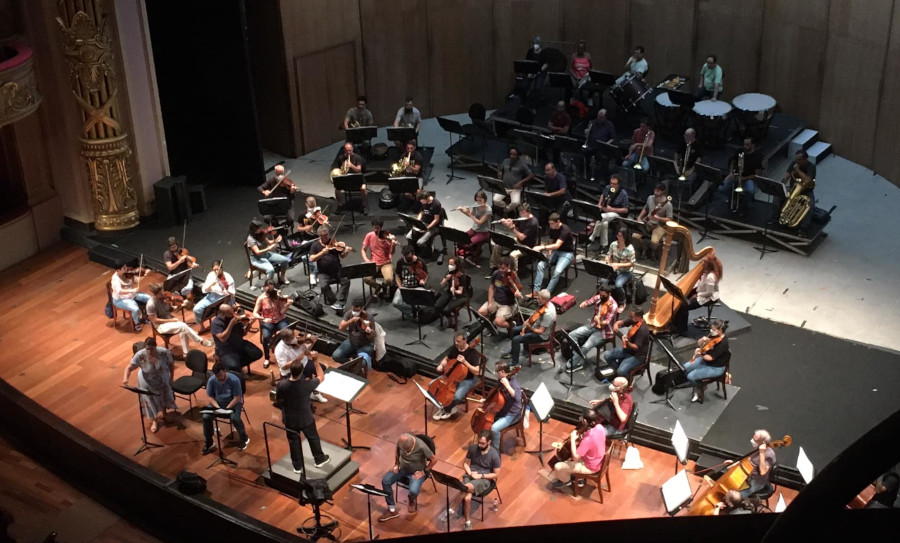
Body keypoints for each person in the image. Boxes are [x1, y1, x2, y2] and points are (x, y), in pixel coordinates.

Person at [276, 358, 330, 473]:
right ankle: (319, 459)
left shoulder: (281, 384)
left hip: (289, 418)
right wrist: (315, 361)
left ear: (291, 371)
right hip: (305, 418)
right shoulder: (307, 385)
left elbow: (278, 399)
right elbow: (321, 376)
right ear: (301, 372)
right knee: (313, 438)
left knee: (293, 442)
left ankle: (297, 466)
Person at [122, 337, 175, 433]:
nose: (149, 352)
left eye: (152, 349)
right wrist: (126, 379)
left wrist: (171, 378)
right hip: (147, 381)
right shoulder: (140, 355)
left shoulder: (164, 352)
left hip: (162, 379)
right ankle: (154, 420)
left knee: (164, 396)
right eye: (147, 349)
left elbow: (171, 364)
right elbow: (129, 367)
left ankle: (164, 414)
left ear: (156, 347)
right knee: (151, 400)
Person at [379, 433, 437, 520]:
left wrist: (424, 471)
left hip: (417, 472)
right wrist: (396, 464)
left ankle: (411, 500)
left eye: (407, 450)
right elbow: (397, 452)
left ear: (411, 445)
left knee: (413, 491)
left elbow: (434, 459)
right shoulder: (401, 442)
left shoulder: (421, 446)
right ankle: (392, 509)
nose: (405, 452)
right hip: (402, 469)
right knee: (385, 481)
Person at [451, 430, 501, 530]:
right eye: (479, 442)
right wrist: (470, 473)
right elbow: (465, 463)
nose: (480, 445)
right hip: (471, 474)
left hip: (484, 479)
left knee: (465, 488)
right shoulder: (473, 448)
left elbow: (496, 474)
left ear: (489, 442)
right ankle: (468, 522)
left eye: (482, 443)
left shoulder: (494, 455)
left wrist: (481, 476)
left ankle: (452, 509)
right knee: (467, 498)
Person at [564, 284, 617, 373]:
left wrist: (599, 321)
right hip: (593, 325)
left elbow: (607, 322)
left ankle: (573, 364)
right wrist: (584, 304)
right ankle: (577, 356)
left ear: (609, 294)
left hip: (603, 331)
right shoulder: (599, 298)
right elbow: (589, 301)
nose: (601, 297)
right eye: (600, 295)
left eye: (604, 296)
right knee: (572, 335)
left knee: (586, 346)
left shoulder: (613, 306)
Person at [146, 283, 212, 354]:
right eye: (160, 293)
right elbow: (155, 320)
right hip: (160, 326)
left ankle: (186, 353)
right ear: (155, 294)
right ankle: (201, 341)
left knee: (183, 329)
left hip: (170, 320)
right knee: (183, 326)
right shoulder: (151, 304)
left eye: (162, 291)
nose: (163, 294)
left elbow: (171, 310)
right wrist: (171, 320)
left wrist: (181, 306)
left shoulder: (166, 298)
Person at [201, 361, 249, 454]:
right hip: (218, 403)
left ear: (225, 371)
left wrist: (227, 408)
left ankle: (244, 438)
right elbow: (210, 397)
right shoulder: (212, 380)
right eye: (218, 376)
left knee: (235, 418)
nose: (220, 378)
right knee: (206, 417)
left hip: (234, 403)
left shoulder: (234, 380)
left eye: (221, 375)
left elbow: (237, 398)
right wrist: (218, 407)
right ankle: (209, 443)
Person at [550, 408, 606, 489]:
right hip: (598, 460)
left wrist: (572, 440)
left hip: (590, 466)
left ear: (585, 421)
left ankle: (566, 481)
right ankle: (580, 478)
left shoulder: (588, 440)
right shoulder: (600, 427)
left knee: (558, 466)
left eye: (581, 418)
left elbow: (575, 457)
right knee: (571, 456)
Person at [431, 332, 480, 420]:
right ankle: (446, 406)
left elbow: (477, 372)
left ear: (465, 340)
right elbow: (447, 358)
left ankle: (447, 408)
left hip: (467, 379)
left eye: (458, 341)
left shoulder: (474, 353)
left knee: (457, 396)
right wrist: (441, 365)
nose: (455, 343)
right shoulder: (455, 348)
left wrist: (465, 362)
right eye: (455, 341)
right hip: (451, 376)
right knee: (432, 385)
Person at [273, 328, 328, 403]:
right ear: (285, 340)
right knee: (301, 384)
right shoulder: (279, 350)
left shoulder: (296, 341)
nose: (295, 339)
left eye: (294, 336)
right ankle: (306, 394)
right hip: (292, 370)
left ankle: (314, 392)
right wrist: (297, 359)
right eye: (292, 338)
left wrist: (312, 342)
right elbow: (283, 366)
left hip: (304, 362)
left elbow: (305, 352)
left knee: (322, 368)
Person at [503, 289, 556, 368]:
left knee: (516, 340)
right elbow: (536, 314)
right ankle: (513, 350)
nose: (537, 300)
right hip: (534, 326)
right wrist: (529, 320)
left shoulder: (548, 314)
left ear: (545, 300)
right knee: (513, 330)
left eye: (539, 299)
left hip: (540, 336)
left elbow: (540, 331)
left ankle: (515, 362)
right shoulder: (547, 304)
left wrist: (529, 327)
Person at [683, 319, 730, 403]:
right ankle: (698, 384)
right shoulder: (713, 335)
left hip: (716, 367)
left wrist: (699, 353)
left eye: (714, 329)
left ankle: (700, 388)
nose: (711, 330)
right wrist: (702, 340)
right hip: (705, 360)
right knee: (686, 367)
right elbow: (699, 344)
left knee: (690, 376)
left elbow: (710, 358)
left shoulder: (723, 343)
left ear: (720, 330)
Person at [770, 150, 816, 236]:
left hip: (806, 191)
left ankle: (803, 227)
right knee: (777, 196)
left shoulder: (811, 167)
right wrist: (781, 184)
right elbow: (786, 177)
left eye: (799, 160)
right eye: (796, 159)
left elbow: (807, 180)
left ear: (805, 159)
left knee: (810, 204)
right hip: (793, 188)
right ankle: (775, 217)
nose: (797, 161)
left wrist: (797, 170)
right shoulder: (793, 163)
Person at [674, 253, 723, 333]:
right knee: (680, 296)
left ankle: (681, 328)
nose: (702, 264)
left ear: (708, 265)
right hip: (702, 292)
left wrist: (697, 295)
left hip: (708, 298)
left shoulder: (710, 277)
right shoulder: (705, 272)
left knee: (684, 306)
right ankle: (676, 321)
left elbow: (709, 293)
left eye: (704, 263)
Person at [309, 226, 352, 312]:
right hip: (323, 272)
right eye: (324, 235)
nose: (327, 236)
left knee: (346, 281)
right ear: (320, 236)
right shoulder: (315, 245)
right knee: (324, 285)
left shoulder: (333, 242)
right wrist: (322, 252)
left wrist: (346, 252)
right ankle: (334, 301)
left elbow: (342, 256)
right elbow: (312, 258)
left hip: (337, 269)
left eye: (327, 234)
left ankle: (340, 302)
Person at [252, 279, 293, 368]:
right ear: (264, 288)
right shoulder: (261, 298)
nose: (271, 292)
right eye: (269, 290)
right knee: (266, 337)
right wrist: (263, 318)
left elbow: (282, 312)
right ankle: (267, 357)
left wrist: (287, 305)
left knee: (288, 332)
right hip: (268, 321)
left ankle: (287, 352)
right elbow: (254, 313)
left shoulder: (277, 296)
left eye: (272, 289)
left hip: (279, 319)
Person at [211, 304, 263, 373]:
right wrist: (231, 324)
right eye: (229, 314)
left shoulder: (234, 318)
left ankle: (237, 366)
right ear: (222, 314)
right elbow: (222, 338)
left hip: (239, 343)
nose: (232, 315)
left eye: (232, 312)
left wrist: (250, 324)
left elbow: (243, 333)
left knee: (257, 353)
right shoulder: (216, 323)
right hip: (225, 349)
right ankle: (233, 367)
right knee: (234, 366)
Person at [489, 203, 539, 273]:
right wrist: (508, 224)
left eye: (523, 212)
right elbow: (517, 229)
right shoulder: (522, 218)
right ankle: (496, 267)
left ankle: (512, 273)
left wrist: (512, 228)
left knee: (513, 255)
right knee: (497, 246)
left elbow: (522, 237)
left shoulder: (533, 223)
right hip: (517, 241)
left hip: (527, 246)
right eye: (520, 212)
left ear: (529, 212)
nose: (521, 214)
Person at [720, 137, 764, 216]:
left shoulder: (757, 157)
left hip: (748, 178)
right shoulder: (739, 151)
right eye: (744, 144)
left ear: (752, 145)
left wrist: (743, 178)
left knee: (750, 191)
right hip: (736, 175)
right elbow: (733, 162)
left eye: (747, 145)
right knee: (722, 188)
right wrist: (731, 173)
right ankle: (732, 197)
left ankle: (743, 207)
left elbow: (757, 174)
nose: (745, 146)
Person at [479, 257, 523, 335]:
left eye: (503, 268)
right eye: (499, 268)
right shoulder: (496, 273)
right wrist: (489, 303)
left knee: (498, 322)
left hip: (507, 305)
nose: (500, 270)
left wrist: (516, 295)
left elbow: (517, 294)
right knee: (481, 312)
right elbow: (491, 288)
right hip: (495, 301)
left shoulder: (514, 278)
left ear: (508, 266)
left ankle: (511, 325)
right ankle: (491, 327)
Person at [533, 213, 574, 295]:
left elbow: (557, 245)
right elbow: (552, 241)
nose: (550, 226)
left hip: (567, 253)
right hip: (556, 251)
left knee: (557, 272)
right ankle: (536, 291)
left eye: (552, 223)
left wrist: (543, 247)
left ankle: (546, 293)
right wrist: (549, 250)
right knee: (540, 265)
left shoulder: (565, 230)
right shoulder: (553, 229)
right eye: (550, 224)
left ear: (558, 221)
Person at [603, 308, 651, 378]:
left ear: (639, 317)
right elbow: (621, 322)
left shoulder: (643, 330)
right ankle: (618, 371)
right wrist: (616, 324)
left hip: (637, 356)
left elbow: (635, 347)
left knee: (621, 371)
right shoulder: (634, 321)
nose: (630, 318)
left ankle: (629, 379)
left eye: (632, 317)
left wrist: (627, 342)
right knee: (607, 355)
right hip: (628, 349)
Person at [588, 174, 630, 252]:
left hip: (616, 213)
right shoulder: (608, 188)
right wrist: (599, 204)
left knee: (601, 218)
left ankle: (592, 238)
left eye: (614, 184)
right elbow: (602, 196)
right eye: (611, 183)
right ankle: (604, 245)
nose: (612, 185)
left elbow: (625, 210)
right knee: (604, 224)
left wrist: (612, 209)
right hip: (606, 211)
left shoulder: (623, 193)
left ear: (618, 184)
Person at [488, 362, 524, 451]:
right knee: (486, 421)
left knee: (494, 428)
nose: (495, 373)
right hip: (502, 409)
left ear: (502, 372)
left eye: (497, 371)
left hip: (512, 414)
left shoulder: (513, 383)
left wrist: (507, 386)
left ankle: (494, 451)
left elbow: (518, 397)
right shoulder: (500, 380)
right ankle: (486, 442)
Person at [334, 298, 376, 370]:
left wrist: (368, 332)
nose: (354, 312)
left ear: (362, 308)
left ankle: (354, 368)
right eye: (353, 310)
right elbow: (341, 328)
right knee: (336, 356)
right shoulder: (349, 313)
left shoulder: (369, 317)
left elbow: (372, 337)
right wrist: (351, 320)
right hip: (351, 341)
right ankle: (352, 366)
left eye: (357, 310)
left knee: (362, 363)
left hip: (365, 344)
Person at [634, 183, 673, 260]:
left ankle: (653, 251)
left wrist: (659, 218)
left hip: (659, 225)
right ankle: (644, 247)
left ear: (663, 191)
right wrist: (639, 217)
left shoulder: (668, 204)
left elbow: (669, 219)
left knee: (654, 242)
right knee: (635, 236)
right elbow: (645, 208)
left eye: (658, 191)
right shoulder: (650, 198)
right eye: (655, 190)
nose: (655, 192)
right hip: (647, 222)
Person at [193, 260, 235, 331]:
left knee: (222, 313)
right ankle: (202, 327)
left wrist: (226, 291)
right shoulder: (211, 275)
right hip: (212, 296)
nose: (216, 272)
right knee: (196, 309)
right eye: (214, 270)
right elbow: (204, 290)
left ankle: (225, 327)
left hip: (224, 298)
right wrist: (211, 285)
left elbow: (232, 294)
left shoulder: (228, 277)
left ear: (221, 268)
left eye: (217, 269)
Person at [361, 218, 397, 300]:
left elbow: (392, 252)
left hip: (386, 263)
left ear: (381, 227)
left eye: (377, 228)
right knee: (366, 278)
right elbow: (363, 249)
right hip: (374, 263)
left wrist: (394, 245)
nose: (375, 230)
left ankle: (384, 287)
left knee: (388, 280)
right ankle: (378, 287)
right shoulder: (369, 235)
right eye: (374, 228)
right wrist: (366, 259)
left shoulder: (388, 237)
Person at [406, 190, 446, 263]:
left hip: (433, 226)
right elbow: (421, 213)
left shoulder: (436, 204)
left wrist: (426, 229)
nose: (421, 202)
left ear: (426, 198)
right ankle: (417, 251)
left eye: (422, 201)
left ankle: (429, 250)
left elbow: (436, 220)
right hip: (423, 223)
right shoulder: (424, 203)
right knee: (408, 237)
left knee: (420, 242)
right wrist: (417, 221)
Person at [247, 219, 290, 284]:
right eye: (259, 228)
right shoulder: (250, 239)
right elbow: (258, 252)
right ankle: (267, 285)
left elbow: (269, 242)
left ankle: (282, 277)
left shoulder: (260, 234)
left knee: (285, 260)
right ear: (254, 230)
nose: (262, 229)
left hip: (266, 254)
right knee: (271, 270)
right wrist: (269, 248)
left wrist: (275, 241)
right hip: (257, 258)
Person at [493, 147, 534, 214]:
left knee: (516, 202)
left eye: (514, 155)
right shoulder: (505, 161)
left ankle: (505, 210)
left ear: (518, 155)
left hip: (515, 188)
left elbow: (531, 175)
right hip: (504, 186)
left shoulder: (522, 164)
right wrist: (499, 172)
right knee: (495, 200)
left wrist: (521, 182)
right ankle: (505, 206)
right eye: (510, 154)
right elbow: (500, 169)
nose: (512, 156)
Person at [110, 264, 151, 331]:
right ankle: (137, 323)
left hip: (132, 294)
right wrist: (132, 290)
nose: (126, 269)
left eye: (126, 266)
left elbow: (135, 281)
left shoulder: (128, 274)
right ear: (118, 270)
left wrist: (142, 275)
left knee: (149, 298)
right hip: (121, 299)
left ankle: (145, 316)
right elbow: (120, 291)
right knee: (135, 308)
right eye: (123, 268)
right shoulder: (115, 280)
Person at [393, 245, 428, 320]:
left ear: (413, 254)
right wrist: (400, 287)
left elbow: (426, 275)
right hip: (404, 287)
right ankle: (412, 312)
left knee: (427, 301)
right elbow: (397, 276)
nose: (407, 259)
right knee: (396, 302)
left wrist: (423, 280)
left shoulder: (420, 262)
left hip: (417, 287)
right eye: (405, 257)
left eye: (408, 257)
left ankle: (417, 312)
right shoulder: (400, 262)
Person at [457, 190, 492, 262]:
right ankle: (472, 251)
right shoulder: (476, 206)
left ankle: (475, 252)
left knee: (468, 244)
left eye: (480, 200)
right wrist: (462, 211)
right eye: (477, 200)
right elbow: (471, 215)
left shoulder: (488, 210)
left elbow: (479, 222)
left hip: (483, 231)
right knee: (460, 238)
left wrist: (469, 214)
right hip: (474, 228)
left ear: (485, 199)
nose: (478, 202)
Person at [741, 429, 776, 499]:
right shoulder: (758, 448)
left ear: (762, 443)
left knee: (735, 497)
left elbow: (763, 472)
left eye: (754, 440)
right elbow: (750, 460)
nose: (752, 440)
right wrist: (736, 464)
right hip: (747, 477)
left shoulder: (769, 455)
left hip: (755, 483)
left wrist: (762, 453)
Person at [435, 257, 468, 328]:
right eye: (449, 264)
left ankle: (451, 320)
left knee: (446, 309)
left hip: (460, 296)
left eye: (452, 264)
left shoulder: (461, 275)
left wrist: (454, 290)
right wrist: (446, 279)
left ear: (456, 265)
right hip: (450, 292)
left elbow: (460, 291)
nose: (450, 266)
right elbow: (442, 284)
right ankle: (449, 317)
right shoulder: (448, 272)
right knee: (437, 306)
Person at [582, 109, 616, 180]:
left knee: (604, 158)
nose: (599, 118)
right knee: (582, 151)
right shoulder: (592, 123)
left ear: (605, 117)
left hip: (602, 146)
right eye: (598, 116)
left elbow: (613, 138)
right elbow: (587, 136)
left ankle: (603, 178)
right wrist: (586, 132)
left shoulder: (609, 125)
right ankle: (584, 172)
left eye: (601, 117)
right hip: (592, 145)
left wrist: (607, 144)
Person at [332, 142, 366, 213]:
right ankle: (340, 205)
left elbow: (359, 170)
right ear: (344, 150)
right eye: (347, 151)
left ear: (352, 149)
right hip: (345, 178)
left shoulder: (357, 157)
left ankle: (364, 205)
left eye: (350, 150)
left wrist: (351, 166)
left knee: (363, 188)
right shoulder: (341, 158)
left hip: (356, 177)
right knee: (337, 190)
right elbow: (339, 169)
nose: (348, 152)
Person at [605, 227, 636, 306]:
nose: (618, 237)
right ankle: (605, 298)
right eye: (618, 235)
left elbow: (631, 263)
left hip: (625, 271)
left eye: (620, 236)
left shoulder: (630, 249)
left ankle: (622, 302)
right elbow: (609, 255)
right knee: (602, 281)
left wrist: (618, 265)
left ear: (625, 237)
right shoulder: (613, 244)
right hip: (613, 269)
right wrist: (607, 260)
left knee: (618, 285)